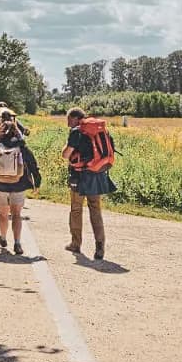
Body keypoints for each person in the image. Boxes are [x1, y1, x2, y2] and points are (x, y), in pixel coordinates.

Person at [0, 107, 41, 255]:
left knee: (3, 215)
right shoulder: (22, 147)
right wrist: (37, 182)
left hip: (1, 185)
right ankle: (17, 243)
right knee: (16, 215)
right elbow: (33, 165)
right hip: (19, 184)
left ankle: (3, 238)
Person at [62, 107, 115, 261]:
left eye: (69, 120)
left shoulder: (76, 132)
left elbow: (66, 154)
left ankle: (75, 243)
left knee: (76, 209)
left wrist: (66, 148)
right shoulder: (100, 131)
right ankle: (100, 247)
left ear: (76, 118)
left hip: (79, 176)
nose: (68, 124)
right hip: (97, 174)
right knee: (95, 210)